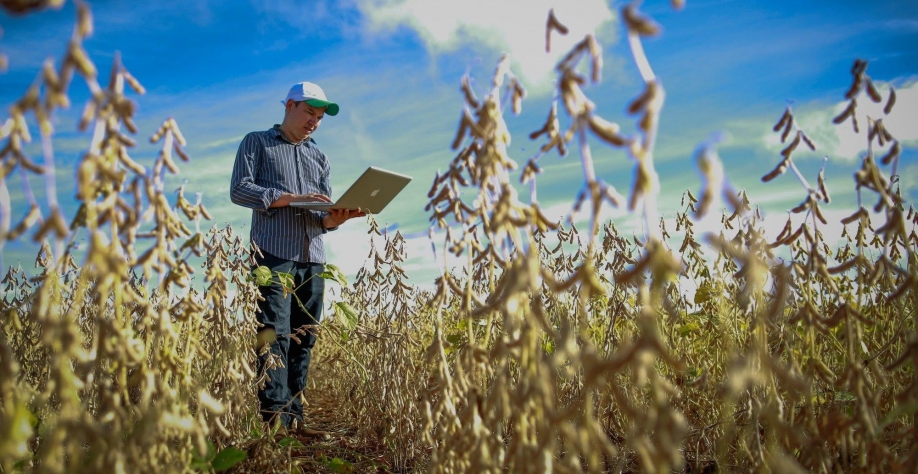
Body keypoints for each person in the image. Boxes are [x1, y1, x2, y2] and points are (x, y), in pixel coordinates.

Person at [230, 81, 364, 435]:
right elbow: (239, 189)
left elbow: (323, 217)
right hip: (272, 254)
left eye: (319, 118)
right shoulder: (256, 142)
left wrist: (335, 219)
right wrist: (289, 197)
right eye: (309, 113)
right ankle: (273, 421)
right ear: (289, 105)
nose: (314, 122)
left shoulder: (320, 157)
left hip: (313, 256)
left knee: (304, 338)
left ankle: (296, 420)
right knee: (274, 335)